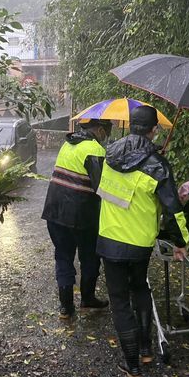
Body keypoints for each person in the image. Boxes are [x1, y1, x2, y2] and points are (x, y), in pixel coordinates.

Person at [96, 105, 189, 377]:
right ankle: (145, 349)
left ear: (129, 124)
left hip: (110, 238)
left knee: (119, 301)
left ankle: (131, 364)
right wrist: (181, 242)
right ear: (153, 129)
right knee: (140, 289)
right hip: (139, 243)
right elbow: (173, 209)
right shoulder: (157, 165)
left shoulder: (109, 154)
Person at [41, 119, 113, 318]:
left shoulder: (68, 144)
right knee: (89, 256)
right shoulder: (94, 149)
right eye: (106, 133)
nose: (105, 138)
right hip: (81, 215)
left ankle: (66, 307)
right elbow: (101, 187)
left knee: (63, 256)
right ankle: (87, 299)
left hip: (54, 211)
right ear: (99, 130)